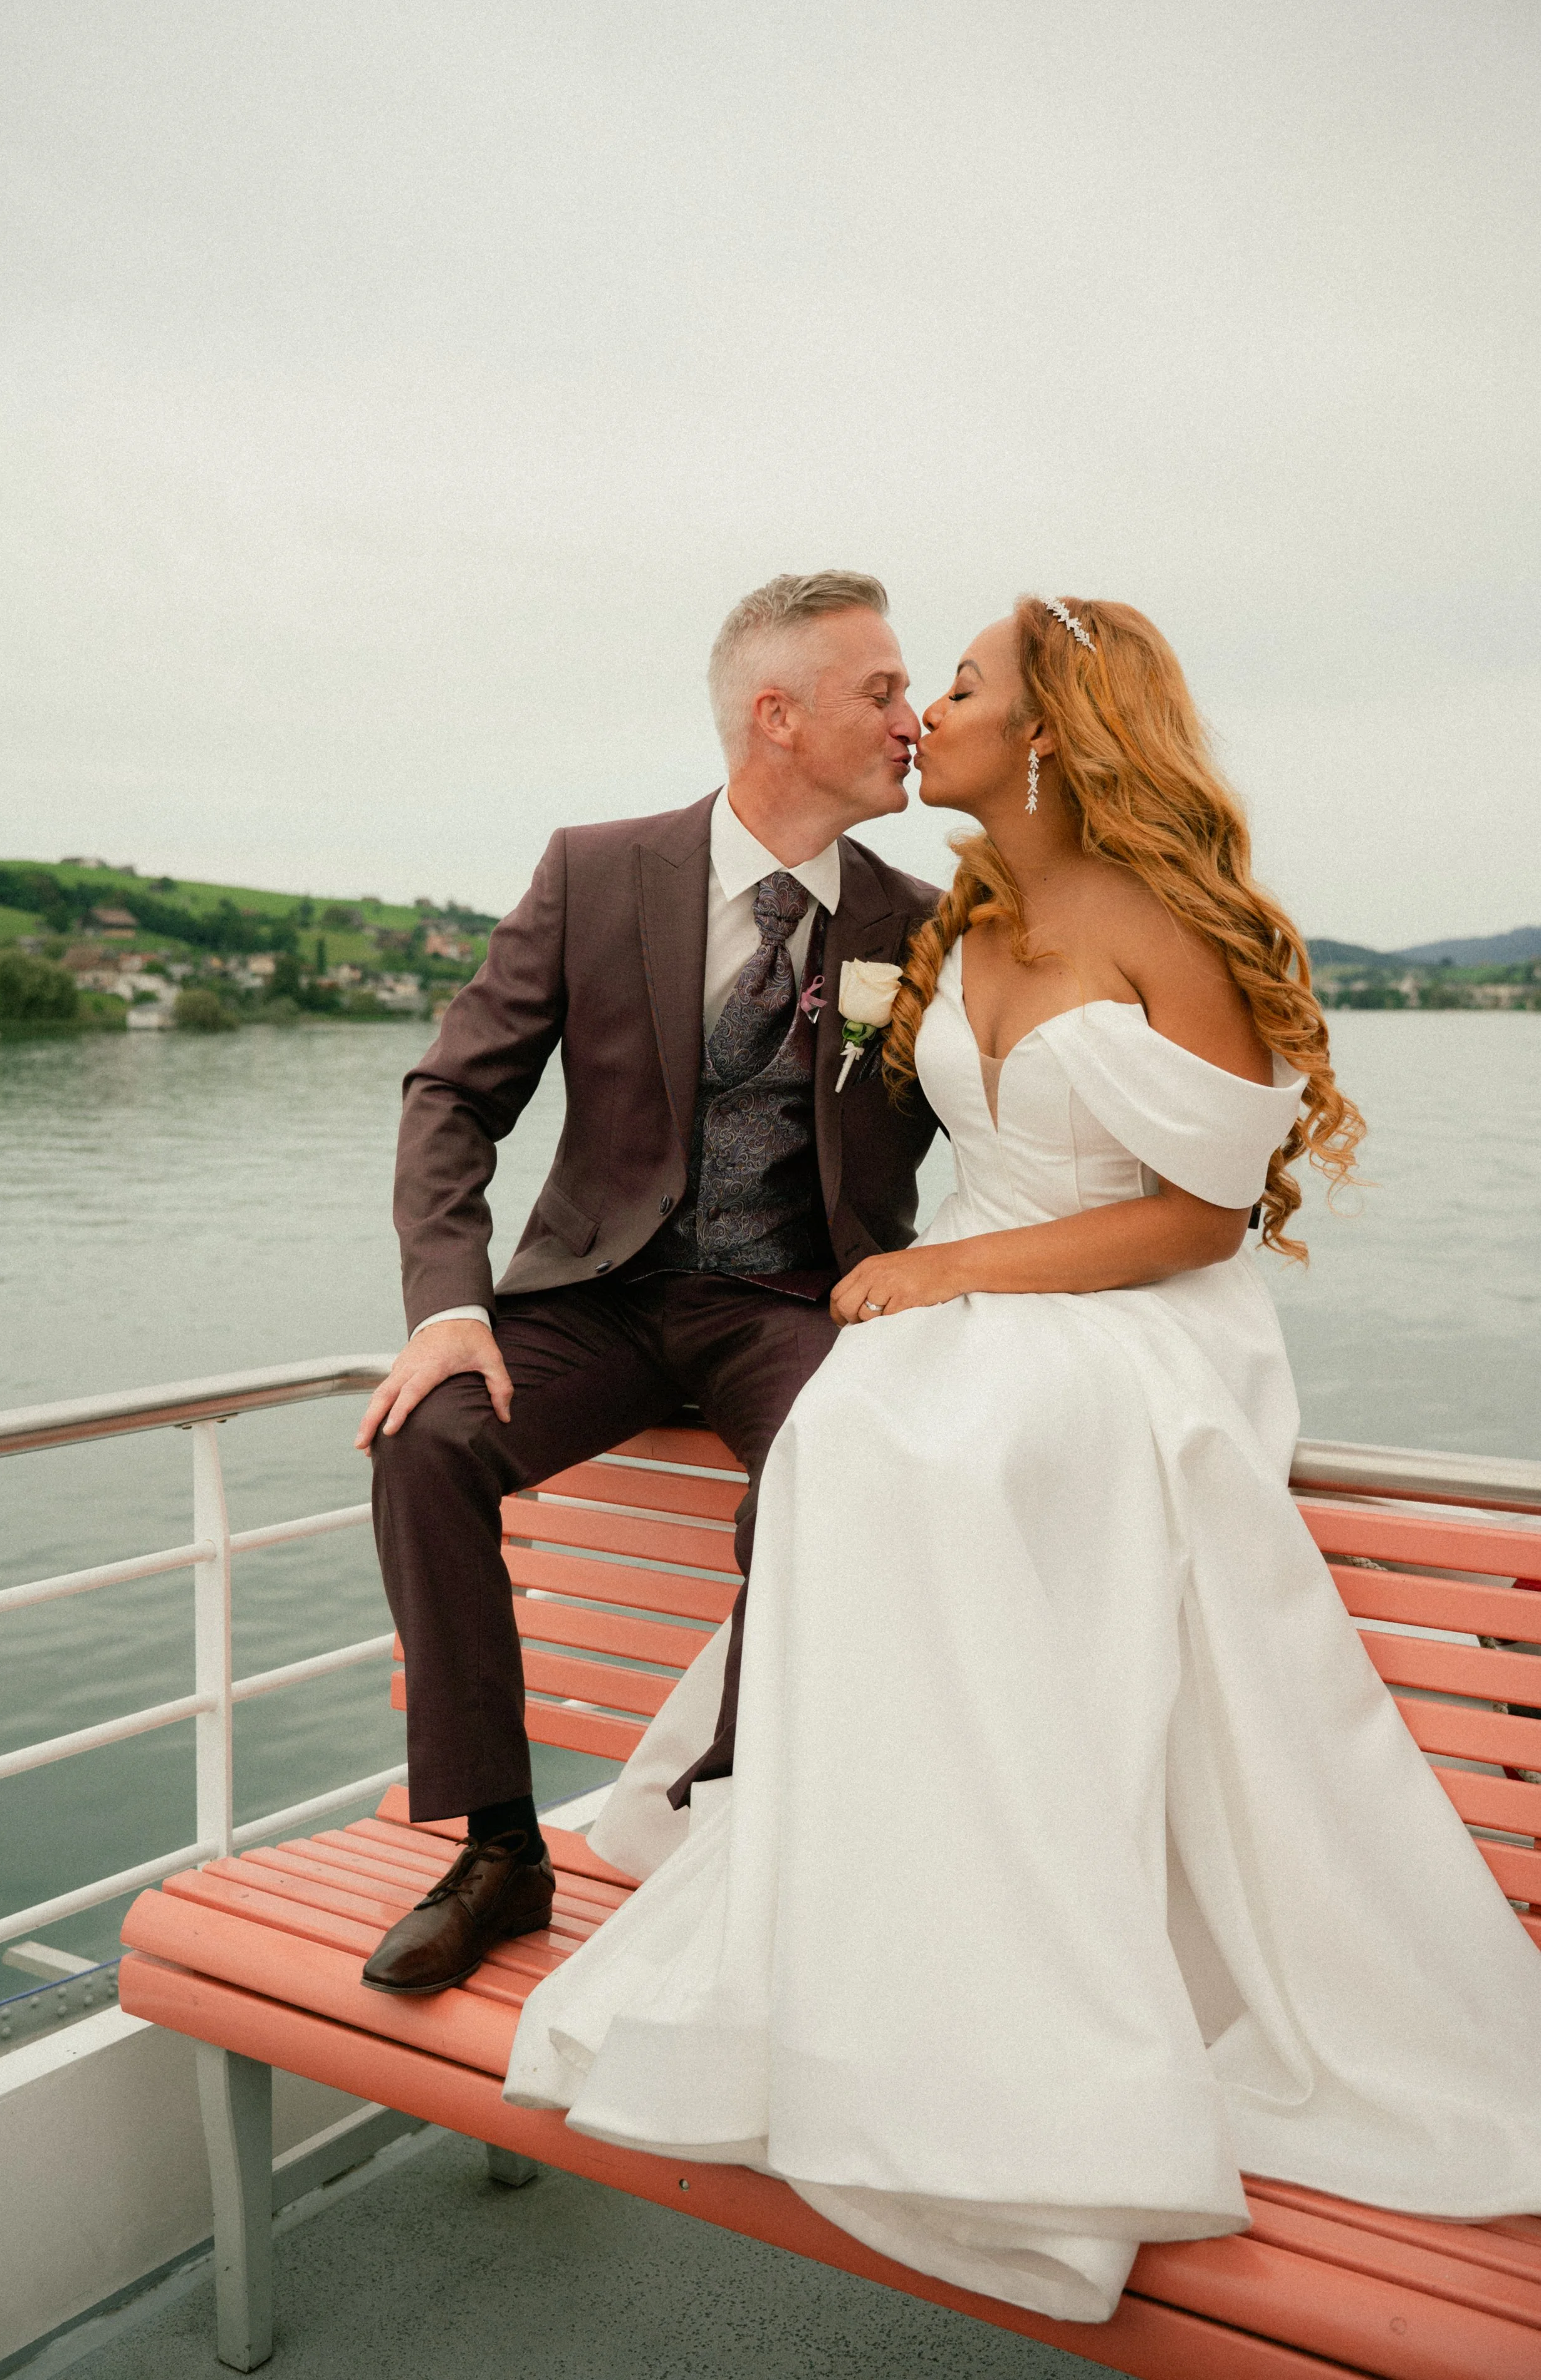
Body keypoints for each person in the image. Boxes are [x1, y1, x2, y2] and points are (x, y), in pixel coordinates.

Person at [504, 594, 1541, 2324]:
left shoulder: (1160, 923)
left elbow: (1203, 1212)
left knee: (951, 1448)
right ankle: (886, 1925)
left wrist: (952, 1270)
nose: (924, 717)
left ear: (1047, 731)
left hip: (1128, 1311)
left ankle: (1034, 1987)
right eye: (909, 690)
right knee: (854, 1435)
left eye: (957, 688)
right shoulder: (955, 919)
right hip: (966, 1301)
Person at [354, 571, 939, 1995]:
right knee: (425, 1442)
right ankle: (501, 1849)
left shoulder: (929, 923)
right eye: (880, 693)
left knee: (835, 1466)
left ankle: (723, 1830)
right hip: (599, 1298)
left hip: (796, 1306)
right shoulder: (595, 870)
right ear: (776, 716)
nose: (912, 723)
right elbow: (452, 1096)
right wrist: (450, 1306)